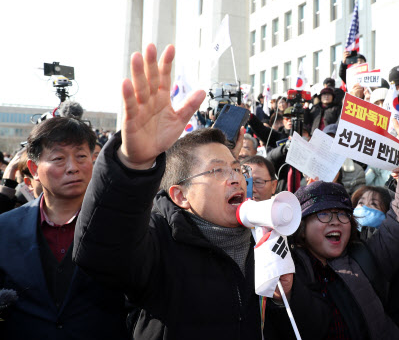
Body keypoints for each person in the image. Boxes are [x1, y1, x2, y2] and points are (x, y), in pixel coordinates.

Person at [72, 44, 290, 340]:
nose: (235, 178)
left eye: (237, 167)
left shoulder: (266, 239)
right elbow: (101, 253)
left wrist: (280, 301)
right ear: (180, 195)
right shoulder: (158, 243)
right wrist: (133, 165)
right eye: (217, 170)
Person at [269, 106, 399, 340]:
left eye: (343, 214)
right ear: (302, 228)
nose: (335, 221)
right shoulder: (288, 268)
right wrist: (284, 293)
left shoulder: (366, 257)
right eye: (324, 215)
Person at [0, 117, 128, 339]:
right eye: (59, 158)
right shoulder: (5, 228)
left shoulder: (121, 225)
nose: (73, 168)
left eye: (81, 156)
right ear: (34, 169)